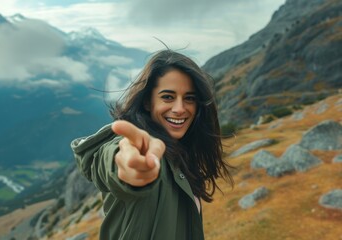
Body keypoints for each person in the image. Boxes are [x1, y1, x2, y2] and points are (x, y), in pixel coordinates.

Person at [71, 49, 234, 240]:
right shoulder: (135, 148)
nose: (180, 109)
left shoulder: (180, 156)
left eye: (189, 98)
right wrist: (130, 167)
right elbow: (112, 160)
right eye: (167, 97)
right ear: (148, 102)